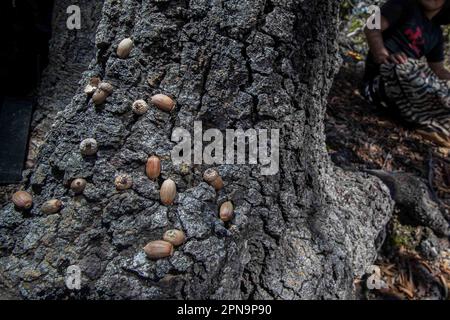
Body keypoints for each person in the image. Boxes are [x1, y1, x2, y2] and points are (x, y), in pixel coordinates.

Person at [362, 0, 450, 146]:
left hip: (410, 89)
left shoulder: (436, 33)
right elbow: (371, 27)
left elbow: (439, 70)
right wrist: (383, 55)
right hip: (379, 83)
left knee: (437, 85)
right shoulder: (403, 4)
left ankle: (435, 128)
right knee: (406, 67)